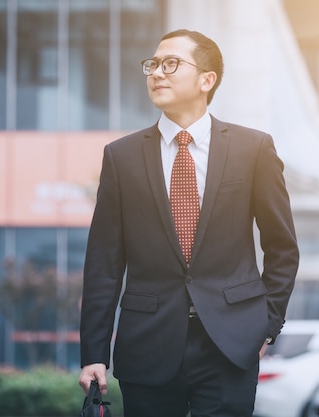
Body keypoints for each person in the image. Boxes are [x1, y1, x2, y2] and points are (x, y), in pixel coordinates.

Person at [78, 29, 299, 417]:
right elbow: (104, 263)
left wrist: (266, 326)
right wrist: (93, 353)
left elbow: (282, 247)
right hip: (148, 345)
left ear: (206, 79)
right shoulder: (121, 157)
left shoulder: (253, 149)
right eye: (153, 65)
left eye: (171, 64)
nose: (156, 73)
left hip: (231, 343)